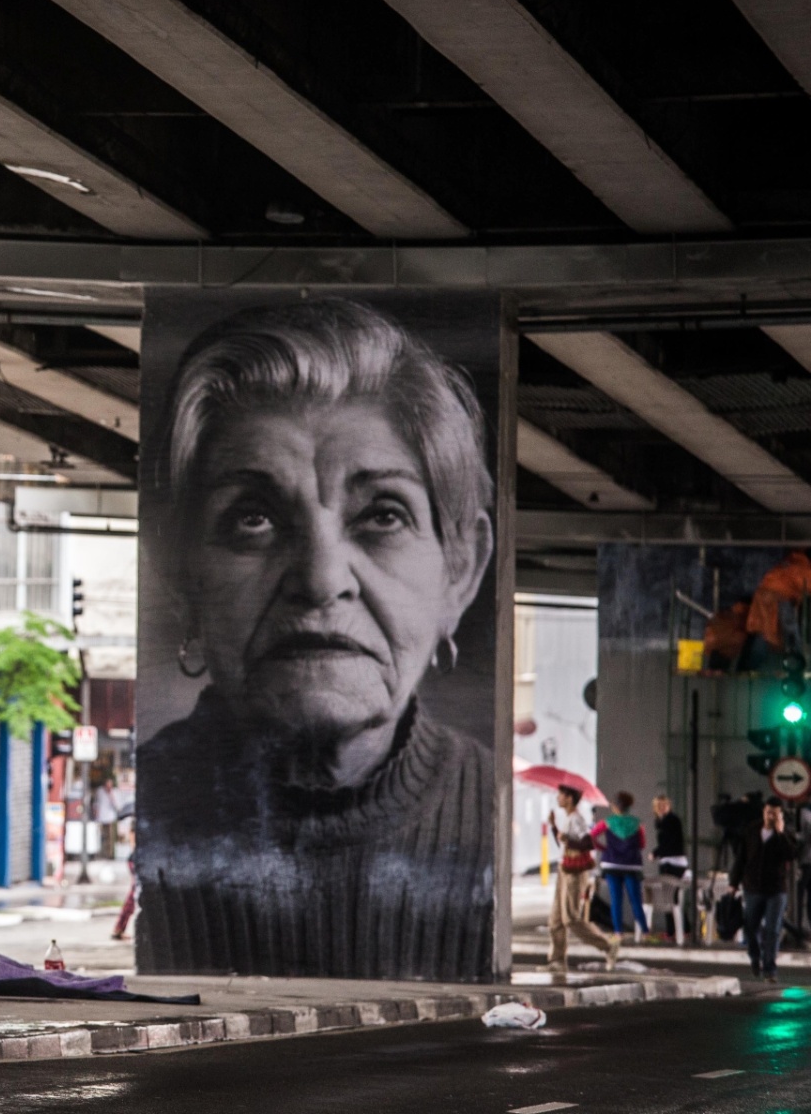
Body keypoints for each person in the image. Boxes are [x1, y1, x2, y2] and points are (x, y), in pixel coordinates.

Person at [134, 298, 498, 981]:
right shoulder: (148, 802)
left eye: (382, 515)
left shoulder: (495, 811)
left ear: (462, 568)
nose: (322, 579)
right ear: (179, 572)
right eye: (253, 518)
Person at [547, 786, 619, 973]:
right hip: (565, 870)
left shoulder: (577, 819)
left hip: (575, 874)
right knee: (555, 919)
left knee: (570, 918)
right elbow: (564, 843)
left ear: (570, 798)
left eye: (561, 795)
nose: (558, 798)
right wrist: (554, 827)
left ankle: (608, 946)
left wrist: (566, 839)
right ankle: (557, 960)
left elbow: (587, 843)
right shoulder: (568, 818)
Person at [729, 798, 798, 982]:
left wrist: (781, 833)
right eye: (768, 811)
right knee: (750, 927)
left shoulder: (784, 834)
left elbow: (791, 854)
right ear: (763, 812)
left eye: (775, 813)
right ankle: (755, 957)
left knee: (773, 930)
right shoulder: (751, 830)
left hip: (776, 889)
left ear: (780, 815)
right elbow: (741, 858)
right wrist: (733, 883)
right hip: (753, 887)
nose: (771, 816)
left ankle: (770, 970)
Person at [593, 791, 650, 940]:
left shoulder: (606, 822)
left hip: (611, 864)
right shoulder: (637, 824)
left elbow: (592, 836)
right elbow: (642, 844)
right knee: (635, 899)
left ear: (615, 806)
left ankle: (618, 932)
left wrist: (602, 848)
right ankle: (645, 931)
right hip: (632, 865)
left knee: (616, 900)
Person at [649, 794, 689, 941]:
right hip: (675, 862)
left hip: (671, 863)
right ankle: (681, 929)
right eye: (659, 806)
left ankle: (673, 931)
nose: (661, 808)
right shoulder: (667, 821)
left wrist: (655, 852)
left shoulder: (669, 821)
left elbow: (669, 843)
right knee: (673, 897)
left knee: (669, 897)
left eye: (663, 805)